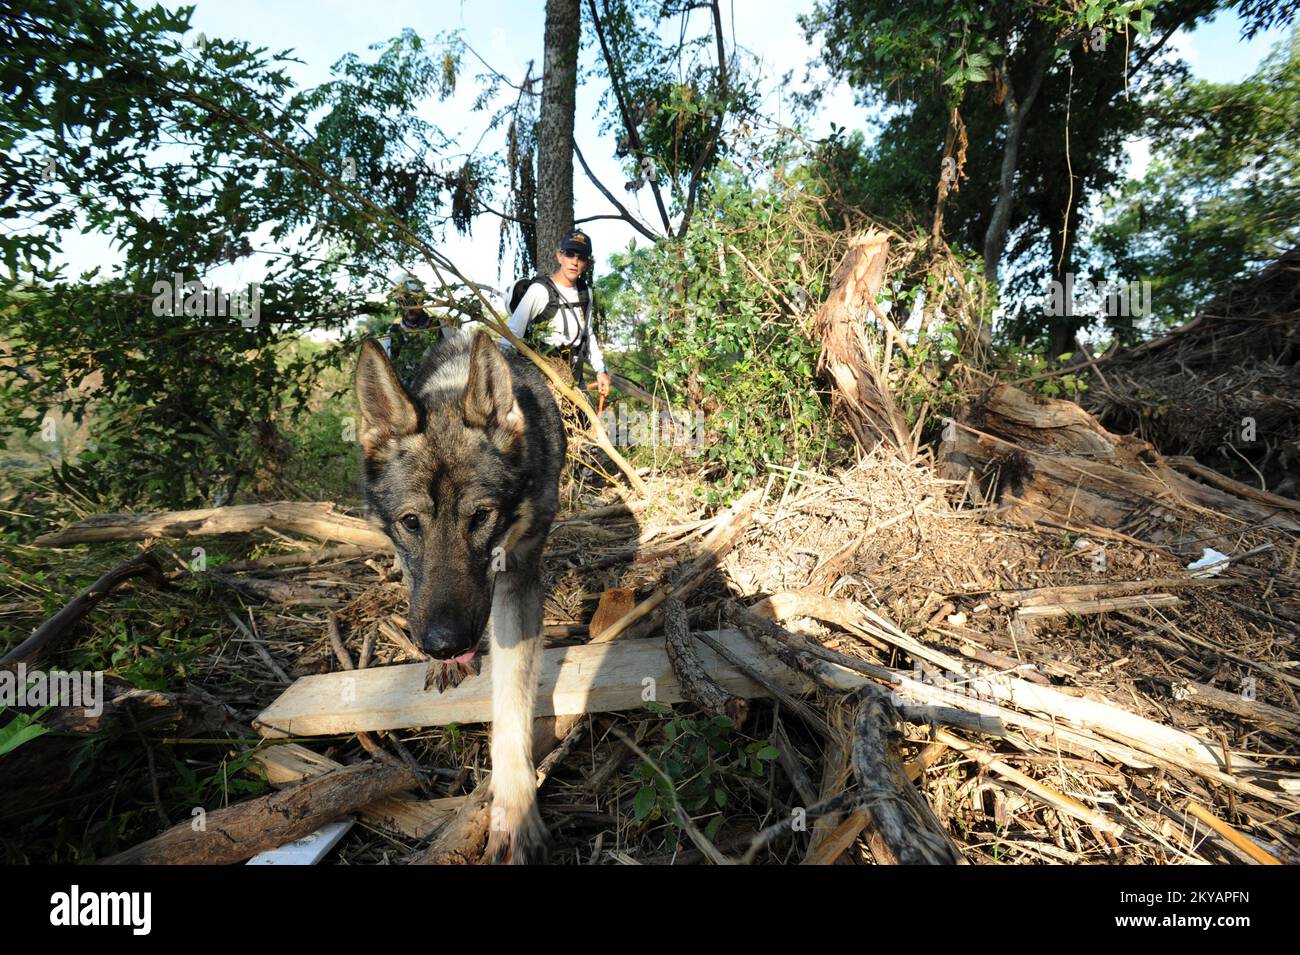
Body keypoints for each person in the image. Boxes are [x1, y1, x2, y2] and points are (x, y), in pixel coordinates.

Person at [507, 229, 611, 399]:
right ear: (559, 256)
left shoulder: (586, 294)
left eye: (581, 257)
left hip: (575, 380)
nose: (575, 262)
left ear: (587, 264)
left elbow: (588, 334)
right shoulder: (540, 291)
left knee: (586, 424)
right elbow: (511, 336)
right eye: (570, 254)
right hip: (543, 382)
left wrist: (600, 370)